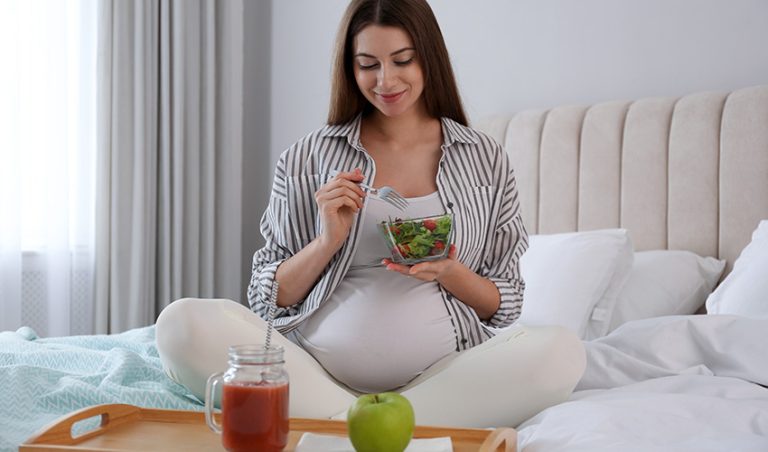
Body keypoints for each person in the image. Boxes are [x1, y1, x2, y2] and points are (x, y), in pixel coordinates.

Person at [156, 0, 585, 428]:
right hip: (313, 373)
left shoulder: (484, 159)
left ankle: (340, 426)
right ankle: (381, 426)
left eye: (402, 61)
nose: (386, 80)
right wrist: (327, 242)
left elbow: (504, 306)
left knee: (563, 352)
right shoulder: (306, 158)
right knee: (180, 324)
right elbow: (267, 299)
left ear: (428, 58)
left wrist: (450, 271)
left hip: (443, 377)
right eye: (368, 64)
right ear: (350, 68)